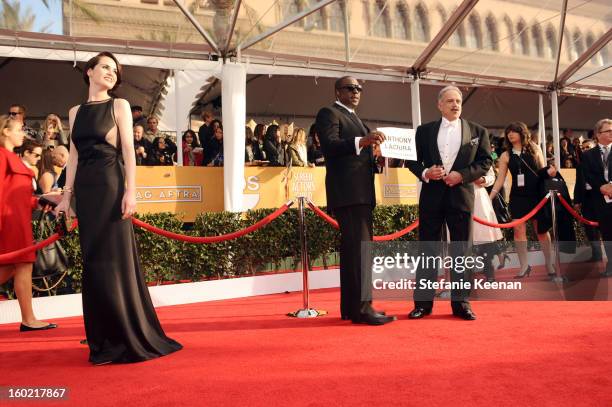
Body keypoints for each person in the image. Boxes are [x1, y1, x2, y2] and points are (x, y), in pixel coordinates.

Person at [55, 51, 182, 364]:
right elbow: (73, 157)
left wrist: (131, 192)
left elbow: (129, 152)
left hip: (111, 188)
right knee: (94, 262)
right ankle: (102, 340)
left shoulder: (119, 105)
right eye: (105, 67)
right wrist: (66, 196)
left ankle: (125, 335)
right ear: (89, 72)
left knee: (114, 261)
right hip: (86, 191)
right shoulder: (75, 112)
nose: (111, 73)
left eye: (115, 70)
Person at [406, 85, 492, 321]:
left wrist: (462, 175)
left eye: (458, 101)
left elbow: (485, 162)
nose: (455, 105)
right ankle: (423, 304)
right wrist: (425, 172)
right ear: (439, 104)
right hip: (432, 198)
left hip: (461, 197)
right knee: (428, 250)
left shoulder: (478, 131)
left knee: (462, 251)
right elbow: (411, 161)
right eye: (450, 101)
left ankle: (461, 303)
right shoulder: (424, 131)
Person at [315, 76, 394, 326]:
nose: (356, 92)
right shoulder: (328, 112)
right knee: (360, 252)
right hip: (348, 192)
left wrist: (376, 159)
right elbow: (329, 146)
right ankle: (362, 309)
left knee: (353, 252)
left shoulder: (357, 119)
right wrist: (363, 141)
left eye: (359, 88)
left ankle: (352, 308)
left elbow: (358, 156)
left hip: (360, 192)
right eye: (350, 88)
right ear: (338, 91)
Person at [0, 115, 57, 331]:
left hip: (18, 221)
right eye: (18, 130)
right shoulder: (2, 156)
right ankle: (29, 319)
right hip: (9, 222)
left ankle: (28, 319)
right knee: (20, 266)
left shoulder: (11, 157)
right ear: (5, 131)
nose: (22, 134)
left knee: (16, 268)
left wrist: (40, 201)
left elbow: (21, 197)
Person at [490, 121, 557, 278]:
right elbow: (500, 180)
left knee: (541, 231)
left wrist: (551, 173)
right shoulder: (505, 155)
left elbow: (542, 170)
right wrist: (489, 197)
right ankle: (524, 266)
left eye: (514, 131)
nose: (510, 134)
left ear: (522, 133)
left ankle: (549, 264)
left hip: (537, 195)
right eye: (508, 132)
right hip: (518, 197)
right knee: (518, 231)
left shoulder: (534, 148)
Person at [580, 118, 612, 277]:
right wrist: (602, 187)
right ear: (598, 134)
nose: (611, 133)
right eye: (608, 131)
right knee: (607, 234)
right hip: (600, 199)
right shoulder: (587, 155)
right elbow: (588, 175)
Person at [574, 139, 602, 262]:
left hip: (601, 198)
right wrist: (577, 201)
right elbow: (578, 184)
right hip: (587, 200)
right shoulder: (580, 165)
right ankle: (597, 256)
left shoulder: (601, 162)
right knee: (590, 230)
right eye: (583, 148)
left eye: (588, 147)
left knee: (605, 229)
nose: (585, 150)